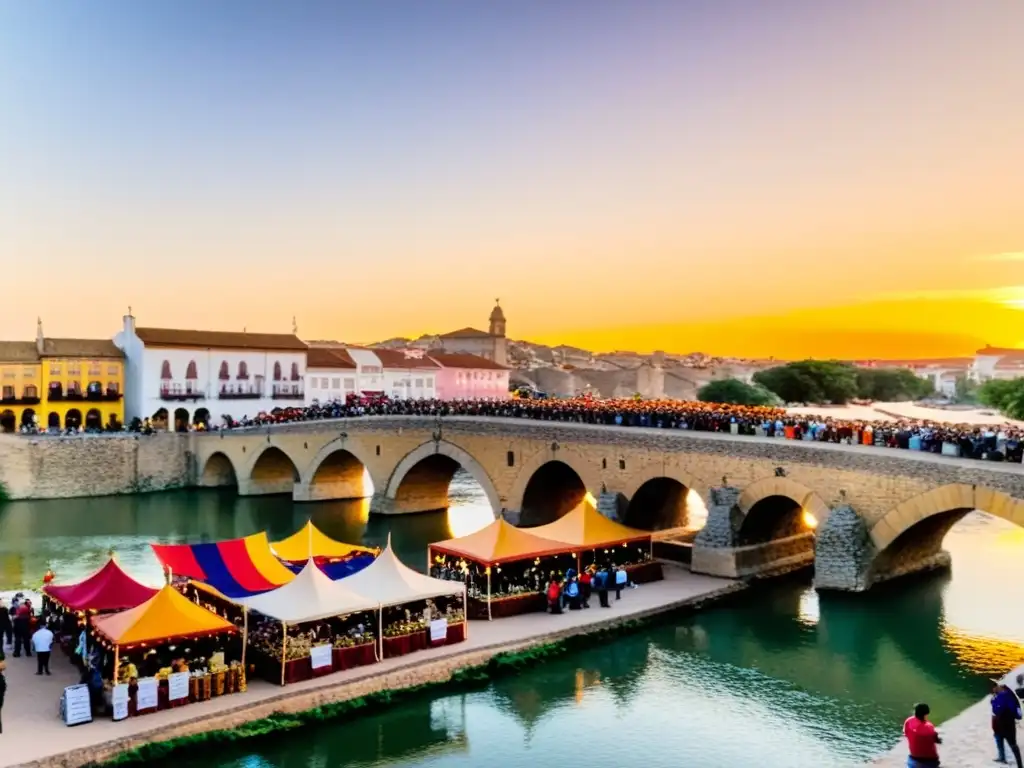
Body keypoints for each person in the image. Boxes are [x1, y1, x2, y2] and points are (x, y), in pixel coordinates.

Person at [991, 681, 1023, 767]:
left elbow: (997, 710)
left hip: (1005, 725)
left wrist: (993, 702)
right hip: (1004, 725)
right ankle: (1003, 758)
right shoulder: (1008, 694)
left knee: (1012, 745)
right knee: (1003, 741)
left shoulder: (1003, 696)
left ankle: (1019, 765)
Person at [904, 702, 940, 767]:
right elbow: (935, 739)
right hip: (930, 760)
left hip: (913, 758)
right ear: (925, 714)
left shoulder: (908, 721)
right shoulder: (929, 726)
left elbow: (906, 734)